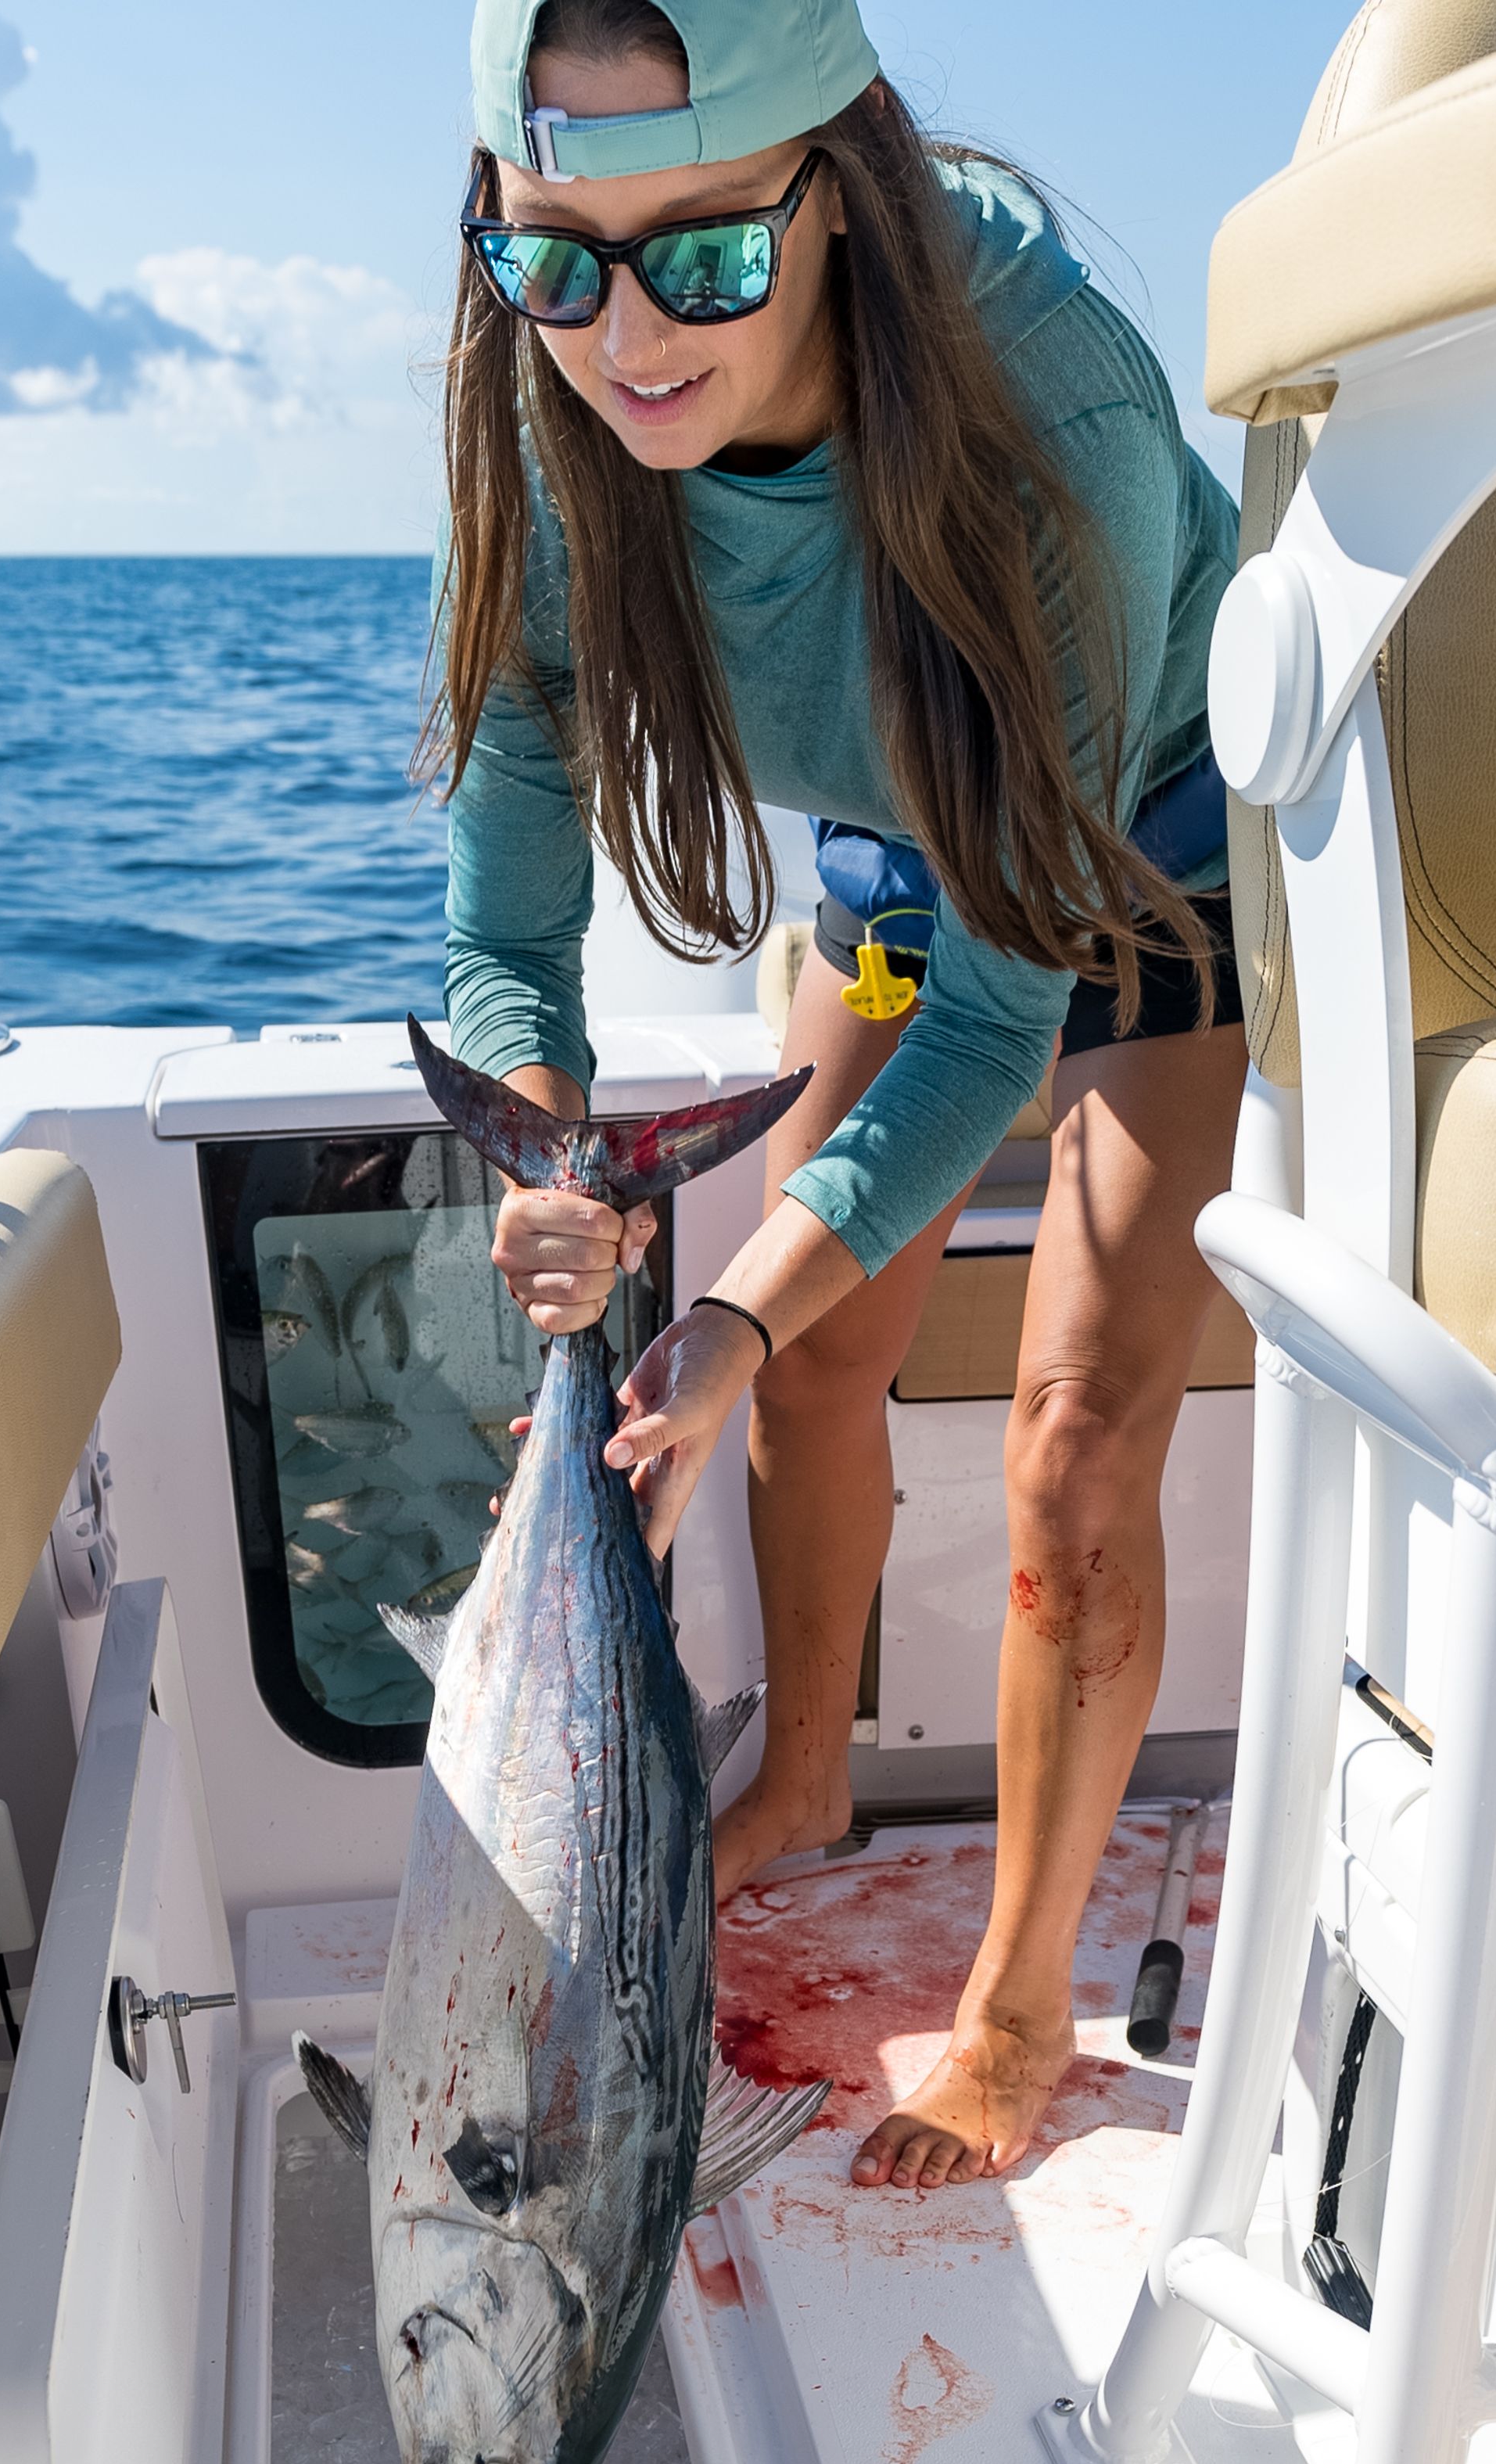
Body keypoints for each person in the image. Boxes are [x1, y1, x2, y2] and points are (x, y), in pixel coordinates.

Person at [427, 0, 1247, 2187]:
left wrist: (726, 1301)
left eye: (704, 253)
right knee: (806, 1376)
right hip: (897, 857)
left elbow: (999, 1020)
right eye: (554, 252)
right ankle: (798, 1771)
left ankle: (1017, 2004)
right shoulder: (549, 392)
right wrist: (550, 1155)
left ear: (847, 179)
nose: (627, 332)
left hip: (1145, 852)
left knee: (1078, 1440)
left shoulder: (1047, 406)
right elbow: (504, 941)